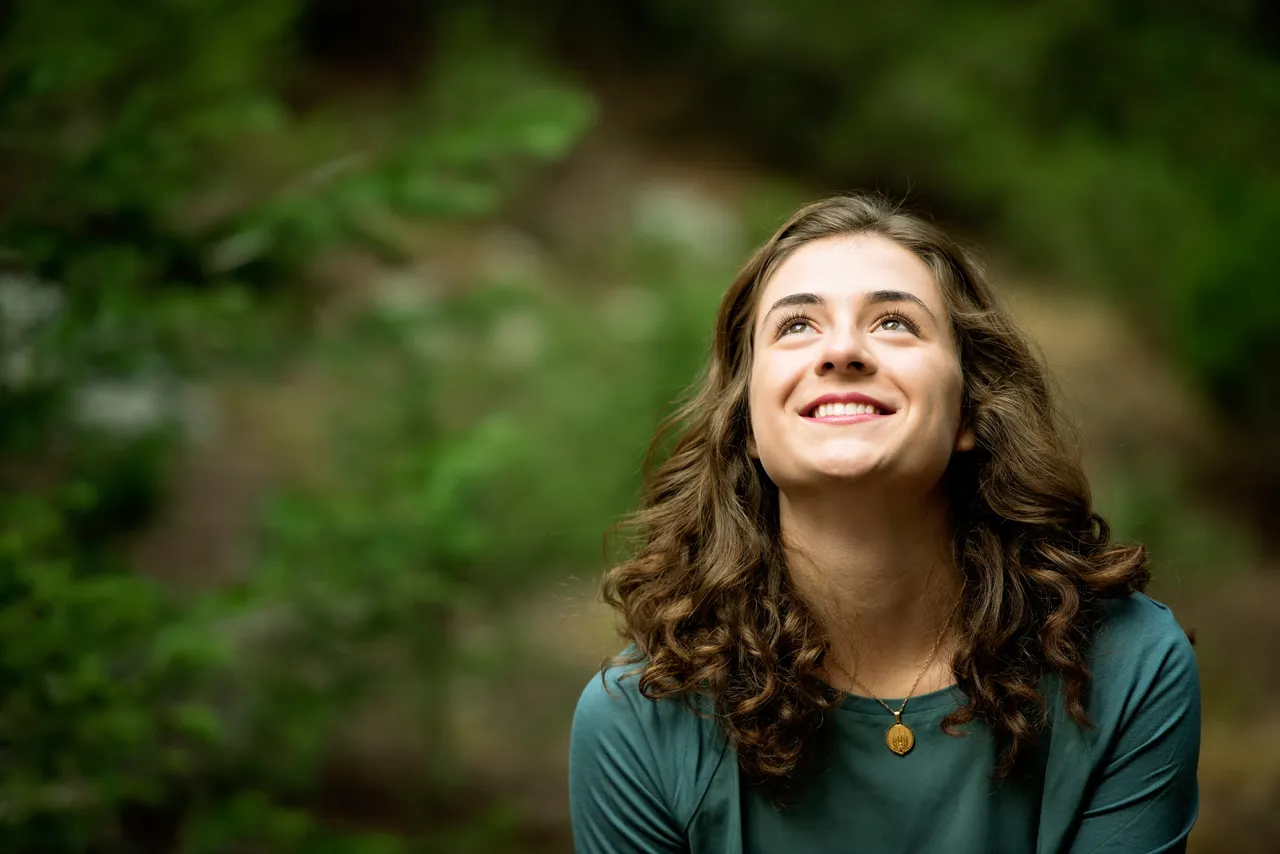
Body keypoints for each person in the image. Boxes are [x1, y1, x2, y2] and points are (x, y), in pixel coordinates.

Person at [568, 194, 1201, 853]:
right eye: (796, 327)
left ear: (968, 415)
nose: (842, 350)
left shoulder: (1125, 666)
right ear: (747, 428)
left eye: (894, 322)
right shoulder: (637, 722)